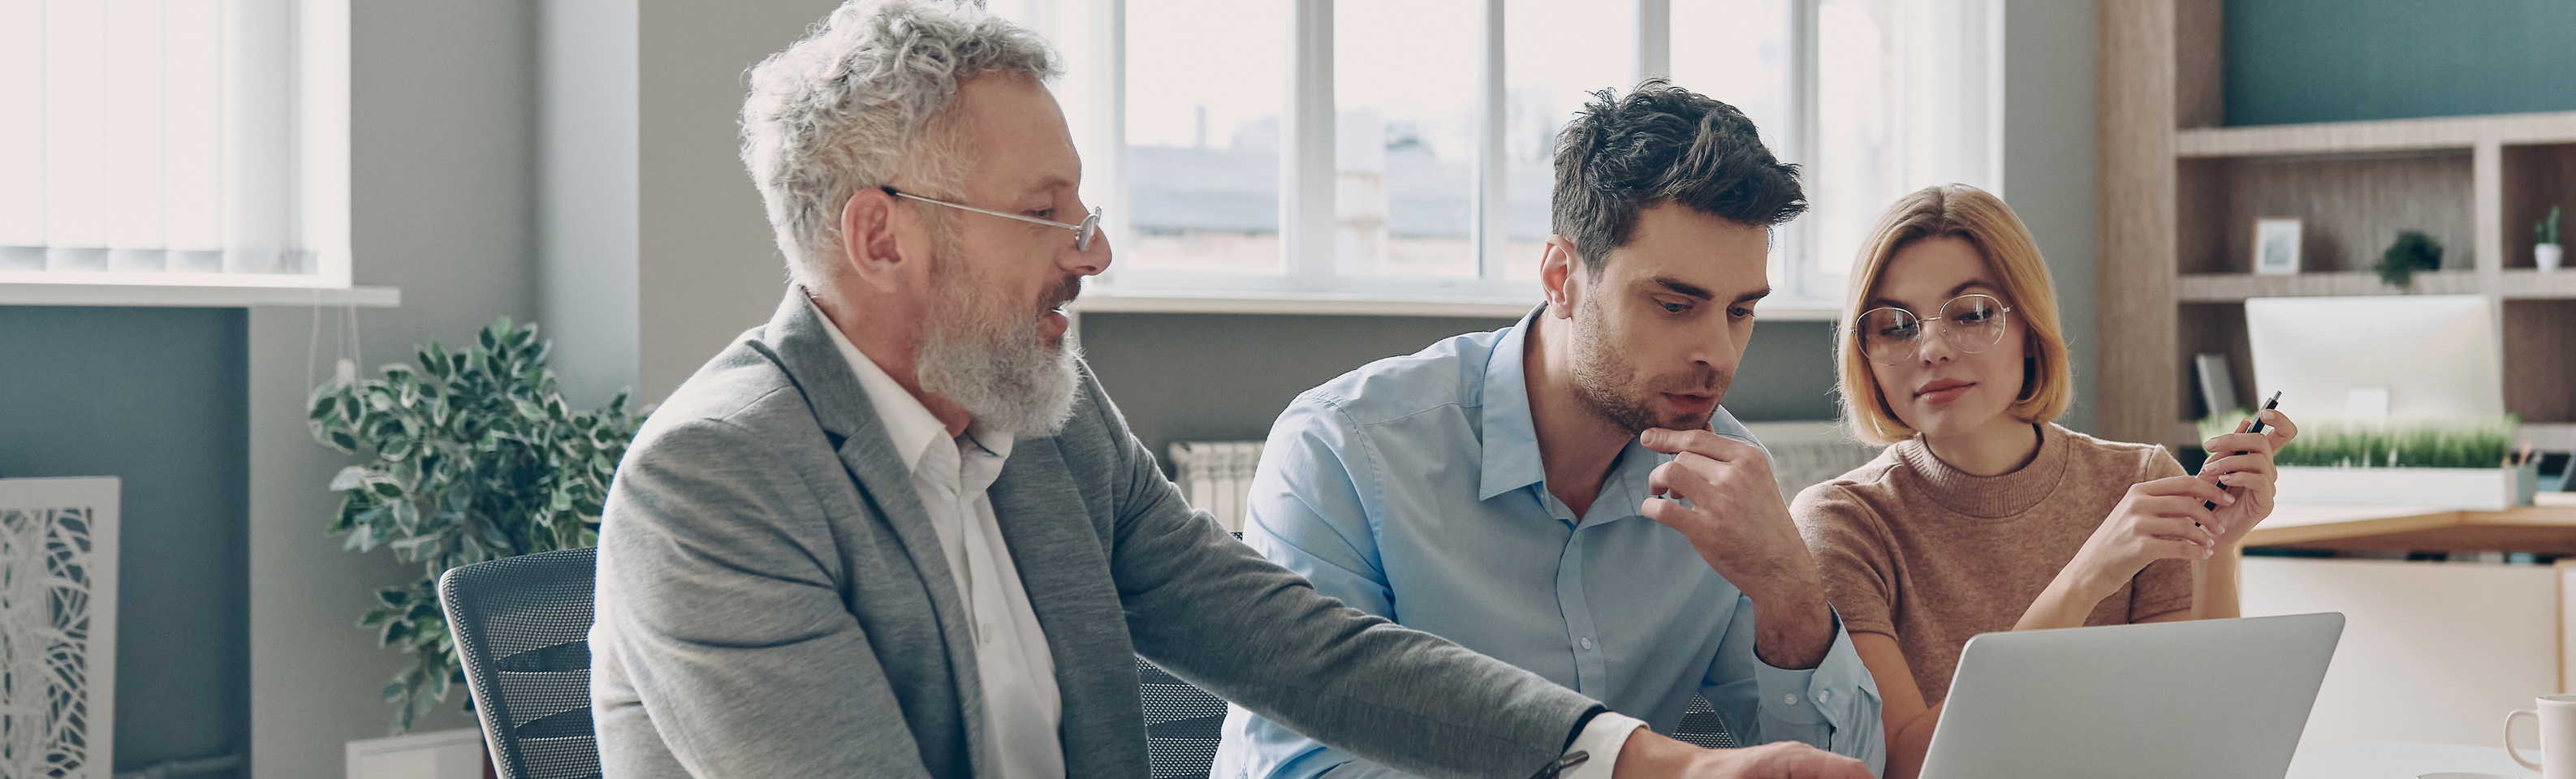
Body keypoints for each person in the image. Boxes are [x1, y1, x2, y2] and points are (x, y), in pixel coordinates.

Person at [585, 2, 1871, 777]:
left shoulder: (1047, 422)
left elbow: (1294, 646)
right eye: (1044, 216)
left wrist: (1637, 762)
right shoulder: (716, 482)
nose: (1090, 255)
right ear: (881, 237)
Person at [1212, 81, 1882, 779]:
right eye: (1675, 304)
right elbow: (1305, 766)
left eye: (1739, 310)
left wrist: (1790, 590)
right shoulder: (1344, 450)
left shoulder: (1723, 479)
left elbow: (1846, 768)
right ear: (1562, 276)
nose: (1717, 352)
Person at [1787, 184, 2297, 777]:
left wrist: (2218, 548)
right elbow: (1906, 764)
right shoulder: (1841, 523)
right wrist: (2087, 576)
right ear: (1866, 354)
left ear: (2029, 327)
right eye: (1894, 327)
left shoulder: (2139, 479)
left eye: (1971, 313)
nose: (1931, 349)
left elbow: (2204, 740)